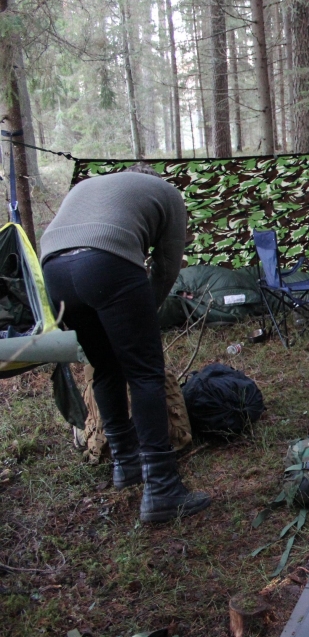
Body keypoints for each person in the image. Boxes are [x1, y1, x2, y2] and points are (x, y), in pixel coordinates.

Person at [41, 166, 211, 523]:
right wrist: (145, 313)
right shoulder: (167, 192)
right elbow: (167, 266)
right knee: (145, 372)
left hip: (54, 269)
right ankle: (162, 489)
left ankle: (125, 464)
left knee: (104, 365)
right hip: (106, 261)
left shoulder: (91, 186)